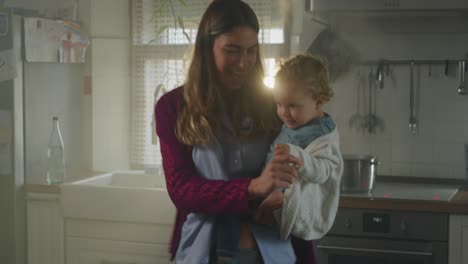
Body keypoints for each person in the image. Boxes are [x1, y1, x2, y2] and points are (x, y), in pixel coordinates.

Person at [155, 0, 310, 263]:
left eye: (251, 51)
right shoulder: (173, 107)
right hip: (203, 252)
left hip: (272, 251)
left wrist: (282, 196)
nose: (243, 63)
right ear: (207, 48)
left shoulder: (274, 104)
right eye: (232, 50)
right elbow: (182, 189)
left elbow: (298, 178)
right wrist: (252, 188)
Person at [259, 54, 343, 242]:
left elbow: (324, 171)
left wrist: (300, 157)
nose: (283, 112)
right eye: (279, 104)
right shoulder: (296, 121)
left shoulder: (322, 135)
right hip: (272, 185)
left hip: (292, 196)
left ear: (319, 102)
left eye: (292, 106)